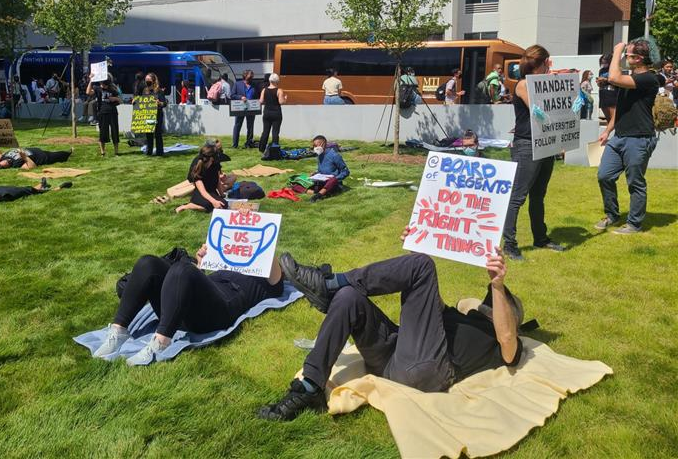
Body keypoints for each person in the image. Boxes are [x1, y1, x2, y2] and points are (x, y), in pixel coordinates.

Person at [258, 240, 523, 421]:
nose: (487, 304)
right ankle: (310, 387)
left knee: (422, 266)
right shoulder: (459, 316)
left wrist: (498, 286)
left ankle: (330, 283)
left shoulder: (501, 341)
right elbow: (423, 295)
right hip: (393, 359)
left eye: (498, 305)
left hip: (430, 369)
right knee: (350, 297)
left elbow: (508, 338)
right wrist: (417, 243)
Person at [92, 240, 284, 364]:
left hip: (219, 310)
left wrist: (262, 234)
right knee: (148, 263)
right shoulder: (229, 260)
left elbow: (273, 267)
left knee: (182, 269)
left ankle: (161, 343)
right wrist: (202, 262)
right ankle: (118, 331)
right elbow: (199, 281)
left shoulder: (267, 279)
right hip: (185, 306)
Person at [501, 45, 564, 261]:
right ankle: (509, 244)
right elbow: (540, 110)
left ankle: (541, 238)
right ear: (545, 62)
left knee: (539, 195)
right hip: (527, 145)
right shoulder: (523, 85)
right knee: (518, 196)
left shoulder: (538, 83)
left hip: (544, 143)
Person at [596, 40, 660, 235]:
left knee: (635, 182)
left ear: (638, 59)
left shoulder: (648, 79)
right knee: (604, 175)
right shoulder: (630, 79)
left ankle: (634, 224)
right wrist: (608, 130)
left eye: (628, 55)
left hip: (639, 138)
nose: (625, 57)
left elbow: (613, 76)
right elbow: (621, 109)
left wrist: (616, 50)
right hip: (619, 137)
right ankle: (613, 214)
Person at [0, 126, 72, 169]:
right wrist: (24, 157)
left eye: (2, 163)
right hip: (43, 157)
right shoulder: (16, 165)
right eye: (5, 165)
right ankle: (70, 152)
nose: (5, 162)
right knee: (61, 155)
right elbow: (32, 167)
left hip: (34, 150)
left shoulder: (0, 158)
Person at [176, 142, 229, 213]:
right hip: (200, 193)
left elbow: (218, 180)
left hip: (212, 191)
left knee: (222, 205)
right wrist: (213, 201)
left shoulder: (215, 163)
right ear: (211, 158)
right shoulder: (197, 165)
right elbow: (202, 190)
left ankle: (196, 205)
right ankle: (188, 206)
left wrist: (222, 194)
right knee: (210, 205)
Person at [308, 135, 350, 202]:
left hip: (333, 183)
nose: (314, 148)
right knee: (299, 181)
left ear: (323, 144)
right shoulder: (319, 155)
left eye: (316, 146)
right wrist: (315, 173)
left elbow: (346, 171)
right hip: (322, 182)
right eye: (314, 146)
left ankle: (318, 195)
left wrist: (336, 178)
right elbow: (321, 170)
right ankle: (322, 193)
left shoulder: (334, 155)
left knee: (332, 180)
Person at [86, 77, 120, 157]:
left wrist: (115, 98)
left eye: (103, 84)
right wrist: (91, 80)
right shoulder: (97, 88)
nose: (102, 85)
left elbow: (119, 100)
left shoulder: (113, 89)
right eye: (101, 83)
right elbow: (88, 92)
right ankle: (103, 152)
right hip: (102, 112)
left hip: (113, 112)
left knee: (115, 132)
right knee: (103, 133)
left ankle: (116, 152)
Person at [258, 74, 287, 154]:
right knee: (275, 132)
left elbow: (261, 101)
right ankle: (275, 148)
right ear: (277, 81)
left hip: (267, 112)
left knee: (265, 131)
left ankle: (261, 148)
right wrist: (285, 99)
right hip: (276, 113)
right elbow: (281, 102)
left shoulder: (264, 90)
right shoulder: (279, 90)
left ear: (270, 81)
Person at [231, 70, 259, 149]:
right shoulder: (237, 84)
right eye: (250, 76)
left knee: (250, 126)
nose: (251, 78)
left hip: (251, 109)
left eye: (252, 76)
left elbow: (258, 95)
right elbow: (232, 95)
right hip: (240, 108)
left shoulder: (255, 85)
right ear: (245, 76)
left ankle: (248, 143)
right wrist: (240, 97)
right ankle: (235, 144)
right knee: (237, 126)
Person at [142, 72, 167, 157]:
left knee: (158, 133)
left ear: (153, 80)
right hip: (148, 114)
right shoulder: (145, 91)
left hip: (157, 114)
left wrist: (159, 103)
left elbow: (165, 103)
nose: (146, 81)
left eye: (148, 80)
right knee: (148, 133)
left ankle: (159, 152)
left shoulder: (159, 91)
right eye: (146, 80)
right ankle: (149, 151)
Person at [596, 53, 617, 123]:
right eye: (602, 62)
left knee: (612, 114)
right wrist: (599, 82)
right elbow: (600, 84)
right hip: (602, 92)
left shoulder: (614, 69)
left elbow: (616, 80)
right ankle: (609, 125)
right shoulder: (601, 70)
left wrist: (605, 79)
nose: (603, 64)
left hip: (611, 92)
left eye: (605, 62)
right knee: (604, 110)